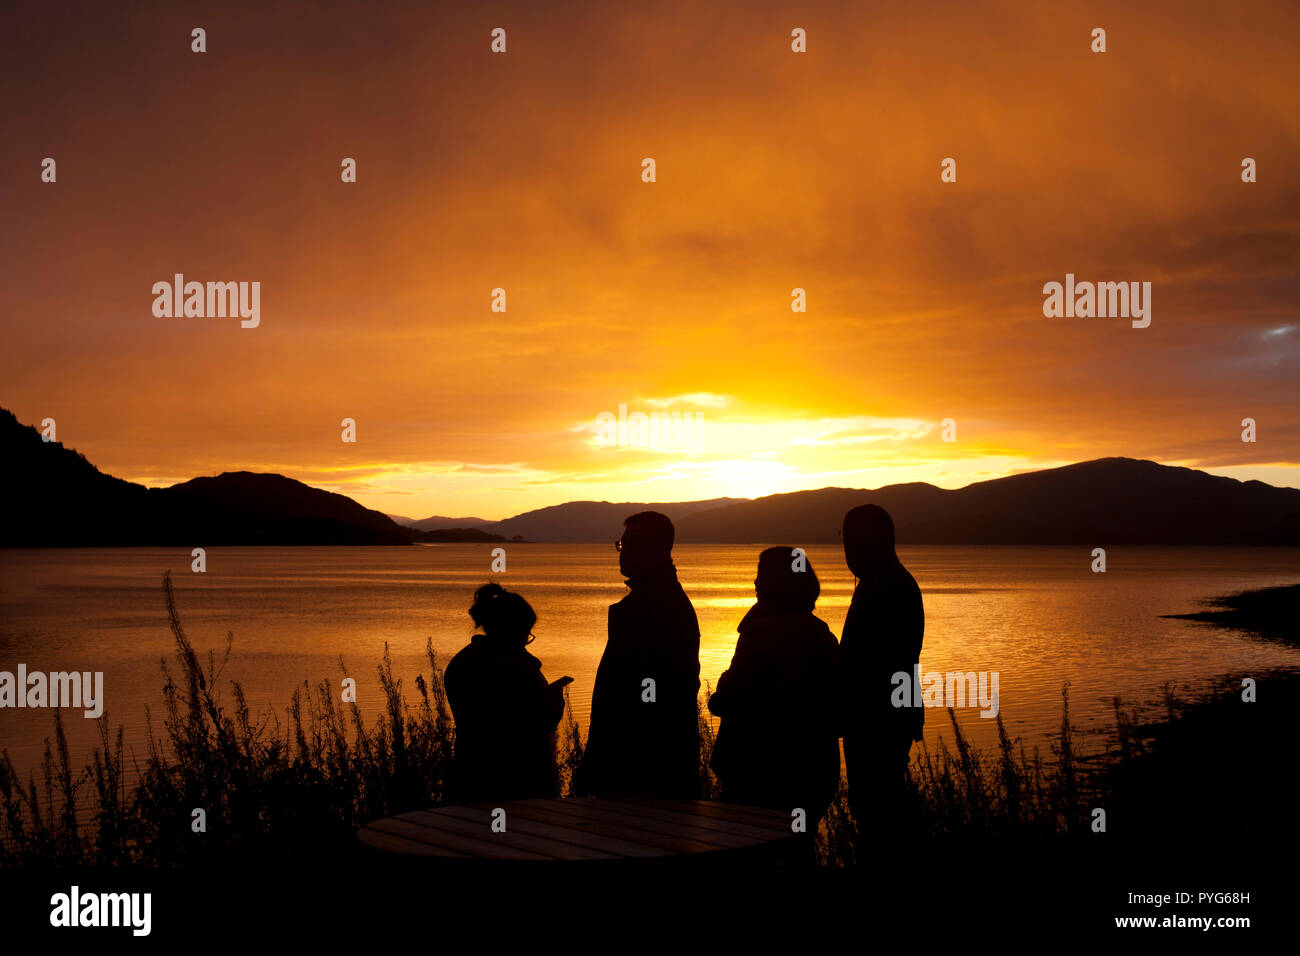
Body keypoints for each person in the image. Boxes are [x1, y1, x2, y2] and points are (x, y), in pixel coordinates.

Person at [708, 547, 841, 831]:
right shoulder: (823, 635)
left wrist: (721, 687)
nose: (755, 583)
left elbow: (728, 700)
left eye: (761, 575)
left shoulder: (759, 634)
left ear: (779, 582)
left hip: (758, 772)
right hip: (814, 771)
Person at [577, 511, 701, 798]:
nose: (625, 551)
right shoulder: (649, 601)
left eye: (636, 543)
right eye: (623, 543)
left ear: (661, 549)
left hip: (644, 767)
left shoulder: (658, 606)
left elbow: (640, 696)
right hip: (644, 762)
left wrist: (602, 759)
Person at [444, 583, 572, 803]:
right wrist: (554, 700)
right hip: (520, 783)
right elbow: (535, 723)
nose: (526, 640)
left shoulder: (461, 662)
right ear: (513, 630)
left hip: (471, 777)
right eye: (526, 633)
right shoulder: (518, 667)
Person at [839, 504, 924, 831]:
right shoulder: (884, 582)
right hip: (883, 718)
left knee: (878, 808)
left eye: (850, 540)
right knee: (876, 804)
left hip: (877, 721)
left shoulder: (886, 587)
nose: (846, 549)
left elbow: (873, 663)